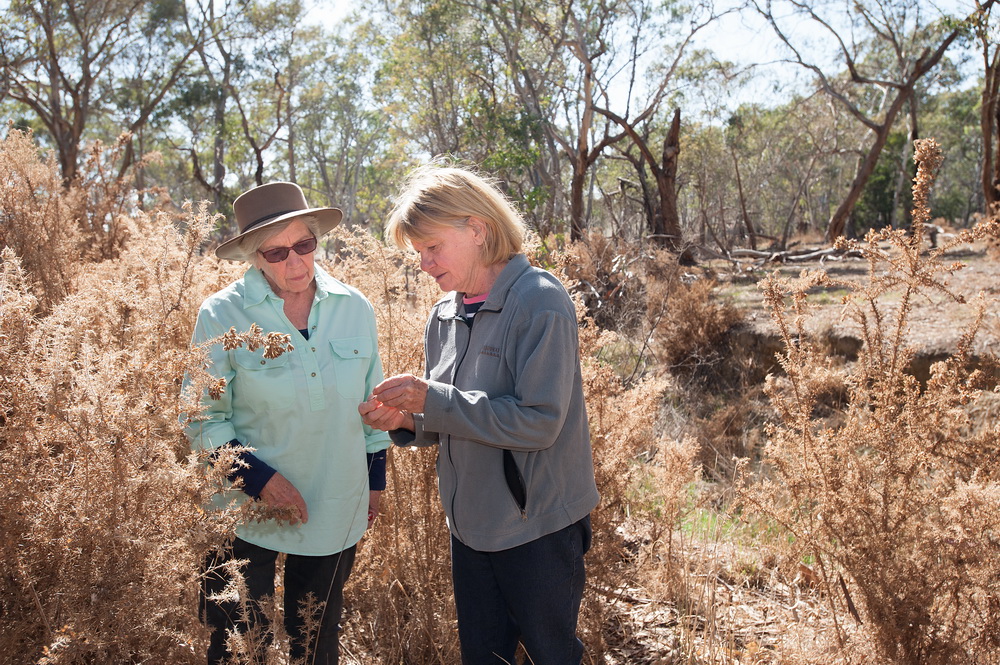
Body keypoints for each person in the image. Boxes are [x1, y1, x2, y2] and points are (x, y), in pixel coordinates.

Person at [359, 165, 599, 665]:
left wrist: (432, 400)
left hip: (538, 529)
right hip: (469, 529)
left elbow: (538, 422)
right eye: (417, 252)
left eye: (432, 247)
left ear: (478, 229)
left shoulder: (540, 300)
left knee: (552, 655)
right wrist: (406, 420)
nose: (424, 263)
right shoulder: (444, 315)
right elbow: (453, 417)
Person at [186, 181, 390, 665]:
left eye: (305, 245)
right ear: (252, 257)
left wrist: (375, 480)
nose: (295, 262)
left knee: (316, 639)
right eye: (276, 252)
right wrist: (261, 480)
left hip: (336, 499)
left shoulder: (354, 306)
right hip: (242, 507)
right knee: (237, 643)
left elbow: (373, 408)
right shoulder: (220, 314)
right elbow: (201, 417)